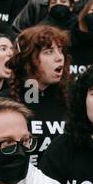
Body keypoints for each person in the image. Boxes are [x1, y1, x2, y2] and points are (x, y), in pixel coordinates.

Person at [8, 24, 70, 162]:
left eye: (60, 50)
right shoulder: (3, 104)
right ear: (28, 59)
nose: (59, 57)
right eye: (49, 51)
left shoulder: (72, 100)